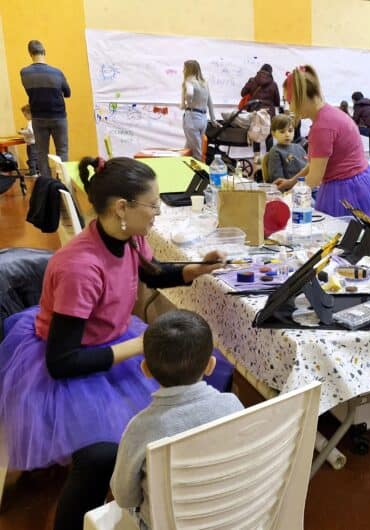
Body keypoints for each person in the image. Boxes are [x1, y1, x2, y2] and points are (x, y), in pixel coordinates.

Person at [0, 157, 230, 530]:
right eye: (153, 205)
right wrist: (144, 343)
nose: (157, 213)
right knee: (101, 454)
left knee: (214, 372)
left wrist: (196, 269)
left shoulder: (129, 236)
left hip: (112, 342)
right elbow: (63, 362)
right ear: (122, 207)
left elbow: (151, 273)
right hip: (72, 361)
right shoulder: (80, 268)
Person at [111, 310, 243, 530]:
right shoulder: (232, 404)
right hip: (232, 516)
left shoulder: (141, 428)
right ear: (211, 365)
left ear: (146, 370)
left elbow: (125, 498)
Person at [275, 65, 370, 238]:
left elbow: (314, 178)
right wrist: (291, 182)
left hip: (345, 191)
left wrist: (286, 200)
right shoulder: (330, 114)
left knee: (345, 244)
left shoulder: (322, 126)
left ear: (301, 98)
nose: (289, 108)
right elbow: (315, 164)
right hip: (359, 183)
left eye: (289, 101)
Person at [20, 39, 70, 178]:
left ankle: (47, 184)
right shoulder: (57, 72)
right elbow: (68, 93)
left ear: (30, 53)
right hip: (58, 117)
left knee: (42, 153)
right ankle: (63, 181)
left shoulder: (24, 72)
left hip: (38, 117)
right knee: (62, 151)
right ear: (44, 52)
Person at [180, 60, 216, 160]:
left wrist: (188, 102)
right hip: (203, 119)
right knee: (188, 148)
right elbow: (210, 102)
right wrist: (213, 119)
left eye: (184, 68)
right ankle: (185, 168)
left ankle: (201, 174)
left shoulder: (189, 81)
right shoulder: (204, 83)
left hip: (192, 117)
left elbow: (190, 93)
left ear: (188, 69)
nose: (183, 71)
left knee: (197, 152)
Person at [266, 114, 307, 183]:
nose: (287, 134)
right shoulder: (275, 151)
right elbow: (278, 180)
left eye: (290, 131)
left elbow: (308, 168)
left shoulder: (299, 147)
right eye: (282, 132)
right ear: (273, 133)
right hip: (291, 190)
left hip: (307, 185)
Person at [19, 104, 38, 176]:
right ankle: (37, 171)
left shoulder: (30, 122)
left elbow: (30, 132)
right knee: (36, 158)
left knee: (31, 158)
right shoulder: (36, 122)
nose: (25, 117)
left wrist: (22, 132)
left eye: (25, 115)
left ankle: (33, 172)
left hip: (31, 144)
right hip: (36, 142)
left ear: (30, 113)